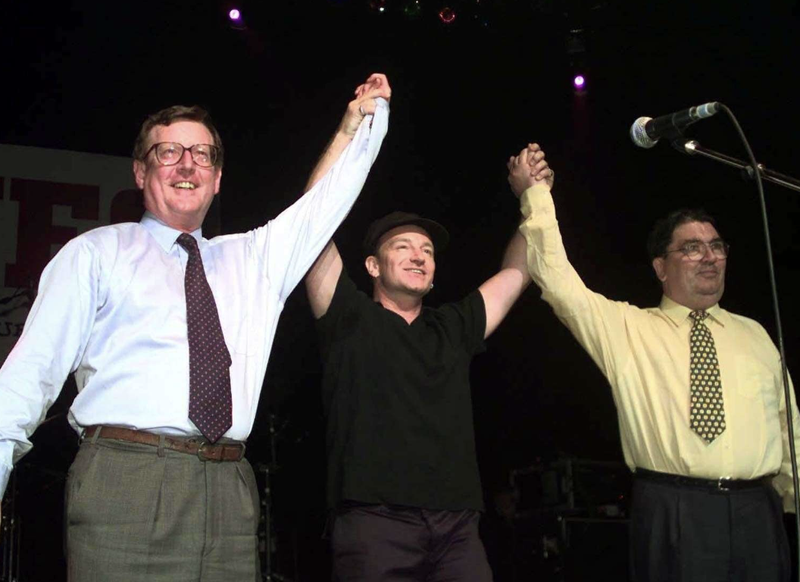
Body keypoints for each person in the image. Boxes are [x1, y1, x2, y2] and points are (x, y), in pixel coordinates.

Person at [0, 73, 391, 581]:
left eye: (202, 155)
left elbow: (322, 207)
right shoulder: (96, 254)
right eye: (168, 152)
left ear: (218, 178)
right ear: (140, 172)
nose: (187, 164)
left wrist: (354, 129)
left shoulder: (252, 259)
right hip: (126, 481)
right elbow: (31, 372)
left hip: (229, 490)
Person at [508, 143, 797, 581]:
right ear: (661, 267)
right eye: (692, 248)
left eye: (717, 246)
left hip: (759, 513)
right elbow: (558, 280)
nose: (710, 256)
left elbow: (788, 426)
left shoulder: (754, 334)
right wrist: (536, 195)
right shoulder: (629, 328)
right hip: (674, 510)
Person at [303, 151, 552, 581]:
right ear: (372, 266)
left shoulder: (454, 326)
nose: (418, 256)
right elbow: (310, 222)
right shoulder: (348, 317)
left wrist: (535, 197)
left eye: (427, 251)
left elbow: (518, 270)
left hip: (457, 528)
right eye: (402, 247)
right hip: (374, 522)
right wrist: (347, 134)